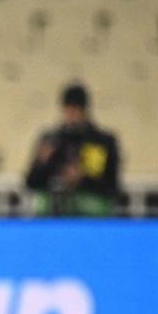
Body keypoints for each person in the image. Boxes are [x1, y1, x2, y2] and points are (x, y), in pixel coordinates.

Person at [24, 83, 121, 216]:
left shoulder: (100, 142)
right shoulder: (52, 140)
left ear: (84, 110)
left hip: (90, 209)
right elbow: (31, 183)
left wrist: (82, 178)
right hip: (53, 207)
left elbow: (111, 186)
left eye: (75, 109)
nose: (70, 114)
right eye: (67, 109)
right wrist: (41, 164)